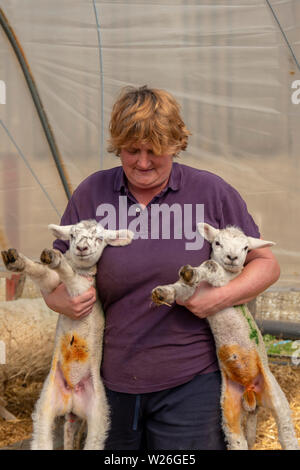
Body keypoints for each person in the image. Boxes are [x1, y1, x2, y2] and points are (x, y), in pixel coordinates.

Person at [43, 85, 280, 450]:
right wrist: (61, 300)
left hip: (192, 382)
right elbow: (55, 275)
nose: (142, 162)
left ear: (175, 144)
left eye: (154, 151)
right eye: (131, 150)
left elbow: (266, 263)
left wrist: (220, 297)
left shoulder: (210, 192)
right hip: (109, 382)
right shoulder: (93, 193)